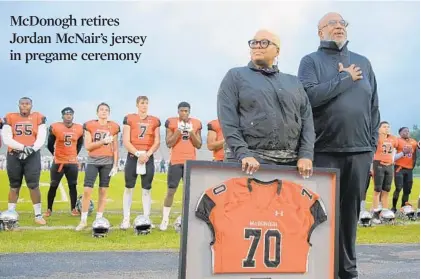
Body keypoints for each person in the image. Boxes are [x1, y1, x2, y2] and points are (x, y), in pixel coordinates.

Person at [297, 12, 380, 279]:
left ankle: (348, 270)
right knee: (320, 214)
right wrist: (344, 79)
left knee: (350, 215)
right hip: (324, 150)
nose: (339, 27)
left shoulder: (363, 63)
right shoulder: (310, 61)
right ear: (320, 31)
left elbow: (374, 106)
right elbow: (308, 97)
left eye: (342, 23)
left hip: (359, 152)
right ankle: (320, 269)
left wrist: (371, 145)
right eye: (332, 23)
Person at [217, 29, 314, 177]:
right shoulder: (235, 76)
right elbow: (227, 121)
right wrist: (243, 153)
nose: (257, 46)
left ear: (277, 51)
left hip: (291, 165)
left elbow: (307, 122)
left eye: (264, 42)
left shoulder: (293, 82)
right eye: (254, 43)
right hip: (248, 162)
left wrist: (306, 155)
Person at [1, 97, 48, 225]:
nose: (24, 106)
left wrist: (31, 150)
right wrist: (23, 148)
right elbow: (7, 139)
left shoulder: (38, 117)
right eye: (22, 104)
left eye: (27, 104)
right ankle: (11, 213)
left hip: (32, 155)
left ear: (31, 105)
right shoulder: (10, 117)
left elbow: (41, 137)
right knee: (14, 185)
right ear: (18, 105)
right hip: (14, 155)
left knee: (33, 185)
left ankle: (38, 215)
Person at [75, 102, 120, 231]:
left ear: (109, 113)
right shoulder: (90, 125)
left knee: (103, 191)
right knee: (87, 190)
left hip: (107, 162)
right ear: (97, 112)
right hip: (93, 161)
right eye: (101, 109)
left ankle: (99, 217)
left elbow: (115, 148)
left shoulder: (114, 127)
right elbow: (88, 146)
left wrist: (115, 165)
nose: (104, 111)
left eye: (106, 110)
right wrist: (103, 141)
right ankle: (83, 220)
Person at [159, 102, 202, 231]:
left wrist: (191, 132)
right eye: (182, 111)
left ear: (189, 112)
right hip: (176, 161)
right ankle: (165, 219)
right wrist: (179, 130)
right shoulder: (171, 123)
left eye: (186, 111)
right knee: (171, 191)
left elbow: (198, 144)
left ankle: (188, 219)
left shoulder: (196, 123)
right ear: (178, 111)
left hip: (190, 162)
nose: (184, 113)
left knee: (189, 193)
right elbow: (169, 143)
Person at [120, 96, 161, 229]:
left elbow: (157, 141)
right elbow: (126, 141)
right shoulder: (129, 118)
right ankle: (126, 218)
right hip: (133, 156)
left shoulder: (154, 120)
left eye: (146, 103)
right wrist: (138, 153)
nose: (144, 105)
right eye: (142, 103)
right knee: (128, 187)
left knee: (146, 189)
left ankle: (146, 217)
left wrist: (147, 154)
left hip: (148, 156)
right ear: (137, 105)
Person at [44, 107, 84, 217]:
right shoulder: (55, 127)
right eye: (66, 114)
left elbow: (80, 144)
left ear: (73, 115)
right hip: (59, 161)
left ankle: (73, 209)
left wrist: (73, 155)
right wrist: (57, 155)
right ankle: (49, 209)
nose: (68, 116)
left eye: (70, 114)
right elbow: (49, 144)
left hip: (72, 162)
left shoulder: (79, 128)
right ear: (62, 116)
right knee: (53, 185)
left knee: (72, 185)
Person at [368, 121, 398, 223]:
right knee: (377, 190)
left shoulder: (393, 138)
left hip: (389, 165)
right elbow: (371, 152)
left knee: (387, 190)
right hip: (378, 163)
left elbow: (398, 149)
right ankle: (375, 213)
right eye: (384, 127)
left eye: (388, 127)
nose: (387, 128)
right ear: (379, 128)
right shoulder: (376, 138)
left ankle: (384, 212)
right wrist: (371, 166)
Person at [392, 127, 418, 212]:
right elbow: (392, 156)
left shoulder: (413, 142)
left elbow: (415, 154)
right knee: (398, 188)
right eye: (404, 131)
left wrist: (413, 165)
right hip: (399, 168)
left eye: (408, 131)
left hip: (409, 169)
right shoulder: (397, 141)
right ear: (400, 133)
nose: (407, 132)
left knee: (407, 190)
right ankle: (394, 207)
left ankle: (403, 208)